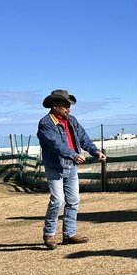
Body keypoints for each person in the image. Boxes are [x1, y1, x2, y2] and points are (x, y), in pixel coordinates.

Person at [37, 89, 106, 250]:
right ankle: (49, 234)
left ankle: (69, 234)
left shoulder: (72, 120)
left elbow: (83, 138)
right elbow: (56, 144)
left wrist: (95, 151)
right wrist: (73, 155)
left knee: (73, 200)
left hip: (71, 166)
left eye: (69, 105)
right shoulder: (46, 123)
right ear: (55, 105)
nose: (68, 108)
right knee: (58, 200)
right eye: (65, 105)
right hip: (55, 167)